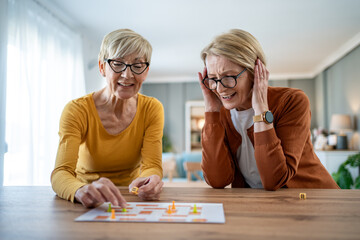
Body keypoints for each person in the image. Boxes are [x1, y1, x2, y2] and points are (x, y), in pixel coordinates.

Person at [198, 29, 339, 190]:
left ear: (254, 71)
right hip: (263, 205)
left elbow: (274, 181)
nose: (219, 88)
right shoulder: (221, 112)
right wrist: (211, 112)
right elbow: (218, 180)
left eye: (228, 77)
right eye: (213, 79)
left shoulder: (292, 101)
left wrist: (261, 110)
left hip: (313, 199)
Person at [51, 29, 164, 208]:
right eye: (118, 64)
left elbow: (152, 165)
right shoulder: (76, 110)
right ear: (102, 67)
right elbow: (61, 172)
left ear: (146, 71)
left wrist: (152, 179)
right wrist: (80, 190)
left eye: (137, 65)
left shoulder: (152, 108)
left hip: (131, 198)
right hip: (86, 198)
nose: (128, 75)